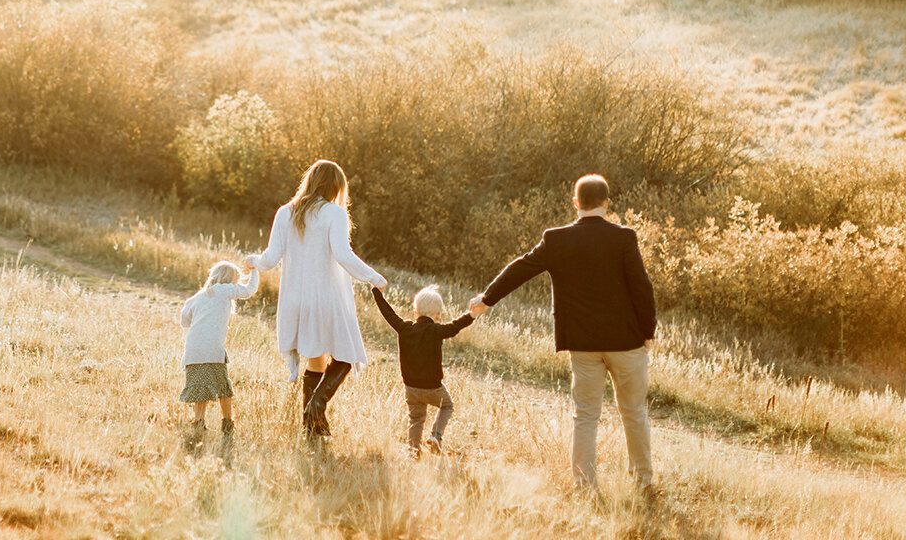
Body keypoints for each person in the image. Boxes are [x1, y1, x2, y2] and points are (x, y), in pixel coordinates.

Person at [468, 174, 656, 493]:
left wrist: (487, 299)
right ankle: (643, 484)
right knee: (634, 412)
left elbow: (520, 269)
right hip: (627, 342)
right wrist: (648, 330)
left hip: (582, 344)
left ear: (575, 203)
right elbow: (642, 287)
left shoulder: (556, 239)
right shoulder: (624, 237)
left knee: (585, 416)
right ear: (607, 204)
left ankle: (584, 486)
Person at [249, 159, 387, 439]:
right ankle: (317, 404)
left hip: (295, 301)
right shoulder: (333, 214)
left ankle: (312, 427)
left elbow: (270, 259)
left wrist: (251, 261)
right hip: (326, 297)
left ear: (310, 181)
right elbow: (344, 255)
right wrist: (374, 277)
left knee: (315, 362)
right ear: (335, 186)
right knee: (346, 356)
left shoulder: (285, 212)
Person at [371, 282, 475, 457]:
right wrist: (471, 314)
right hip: (433, 387)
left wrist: (377, 293)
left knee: (416, 419)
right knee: (447, 406)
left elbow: (388, 314)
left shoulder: (405, 328)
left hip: (411, 388)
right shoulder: (436, 330)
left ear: (415, 312)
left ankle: (413, 451)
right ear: (437, 315)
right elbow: (455, 326)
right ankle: (436, 435)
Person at [179, 259, 260, 444]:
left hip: (193, 349)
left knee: (199, 387)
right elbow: (249, 290)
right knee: (223, 387)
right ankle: (227, 423)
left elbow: (184, 321)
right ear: (230, 279)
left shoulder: (197, 297)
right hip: (212, 348)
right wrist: (254, 269)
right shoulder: (225, 290)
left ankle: (199, 422)